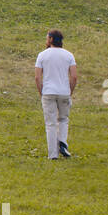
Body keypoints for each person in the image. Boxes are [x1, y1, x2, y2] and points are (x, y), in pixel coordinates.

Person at [35, 29, 77, 160]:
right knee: (64, 119)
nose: (46, 40)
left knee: (50, 123)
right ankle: (63, 143)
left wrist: (41, 92)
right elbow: (74, 76)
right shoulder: (69, 55)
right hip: (64, 92)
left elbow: (37, 77)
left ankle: (53, 154)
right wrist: (70, 91)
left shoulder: (42, 55)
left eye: (47, 38)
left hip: (48, 92)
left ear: (51, 39)